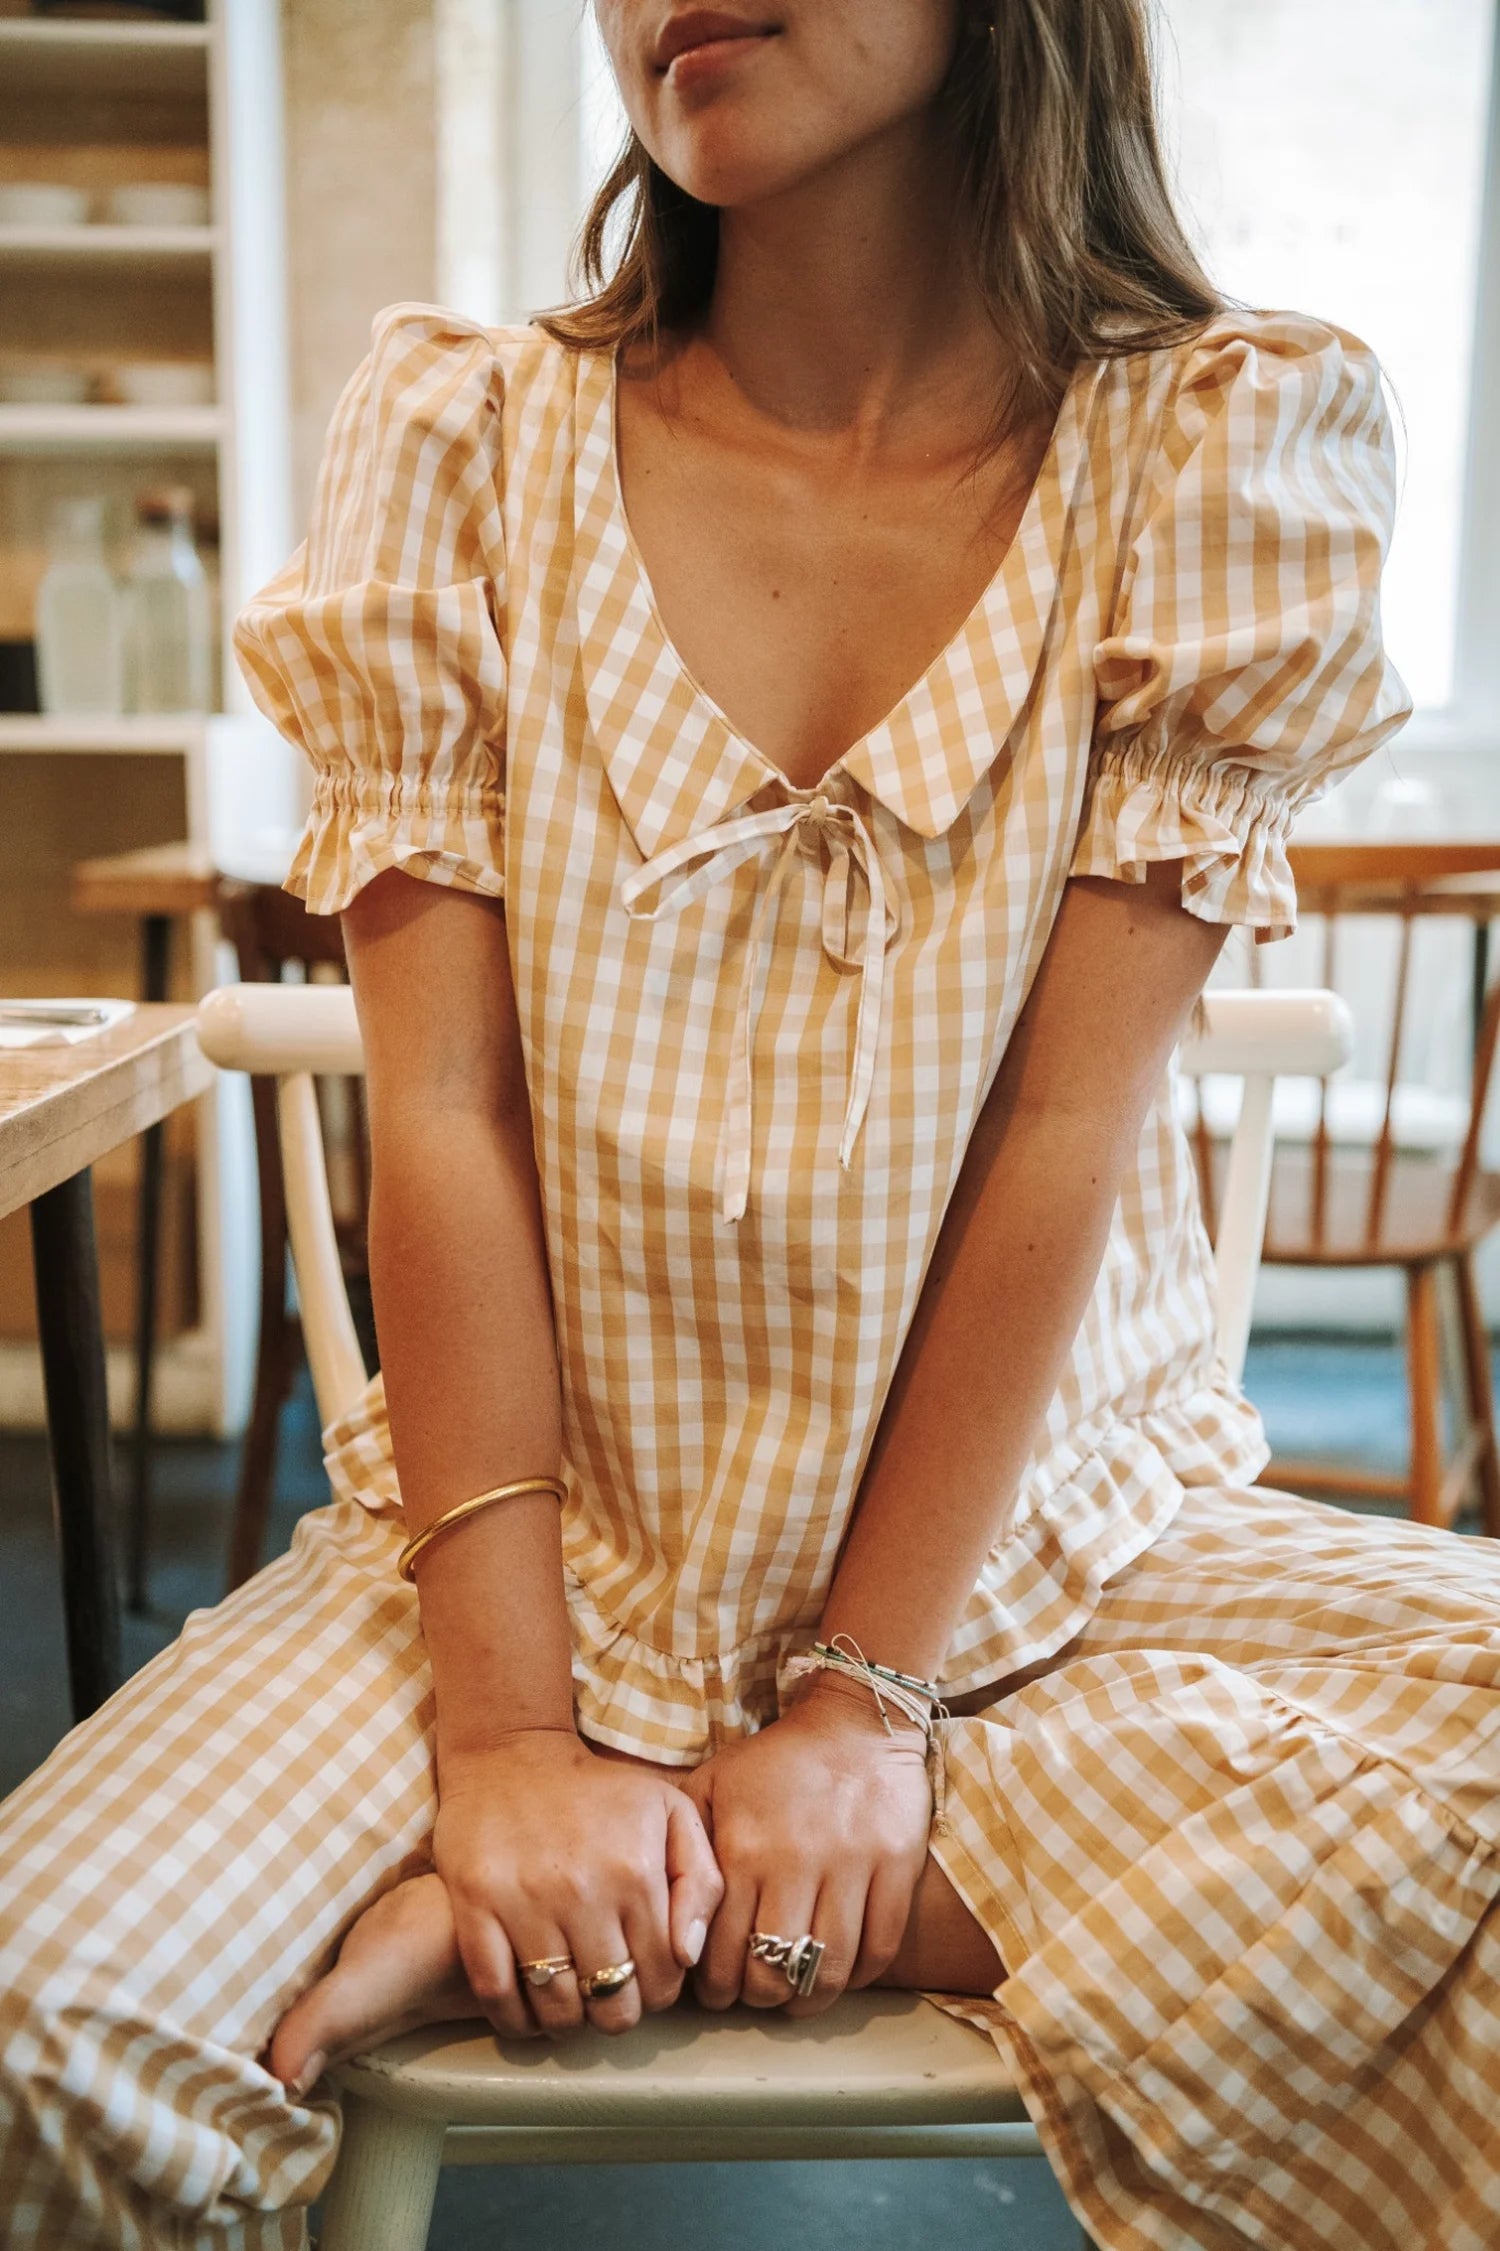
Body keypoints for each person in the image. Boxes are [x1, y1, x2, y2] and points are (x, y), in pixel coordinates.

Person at [4, 2, 1499, 2245]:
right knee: (42, 2018)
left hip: (1043, 1571)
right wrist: (511, 1746)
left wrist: (863, 1712)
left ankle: (694, 1903)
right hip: (523, 1560)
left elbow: (1064, 1131)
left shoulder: (1215, 447)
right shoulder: (462, 443)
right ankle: (728, 1866)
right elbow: (444, 1117)